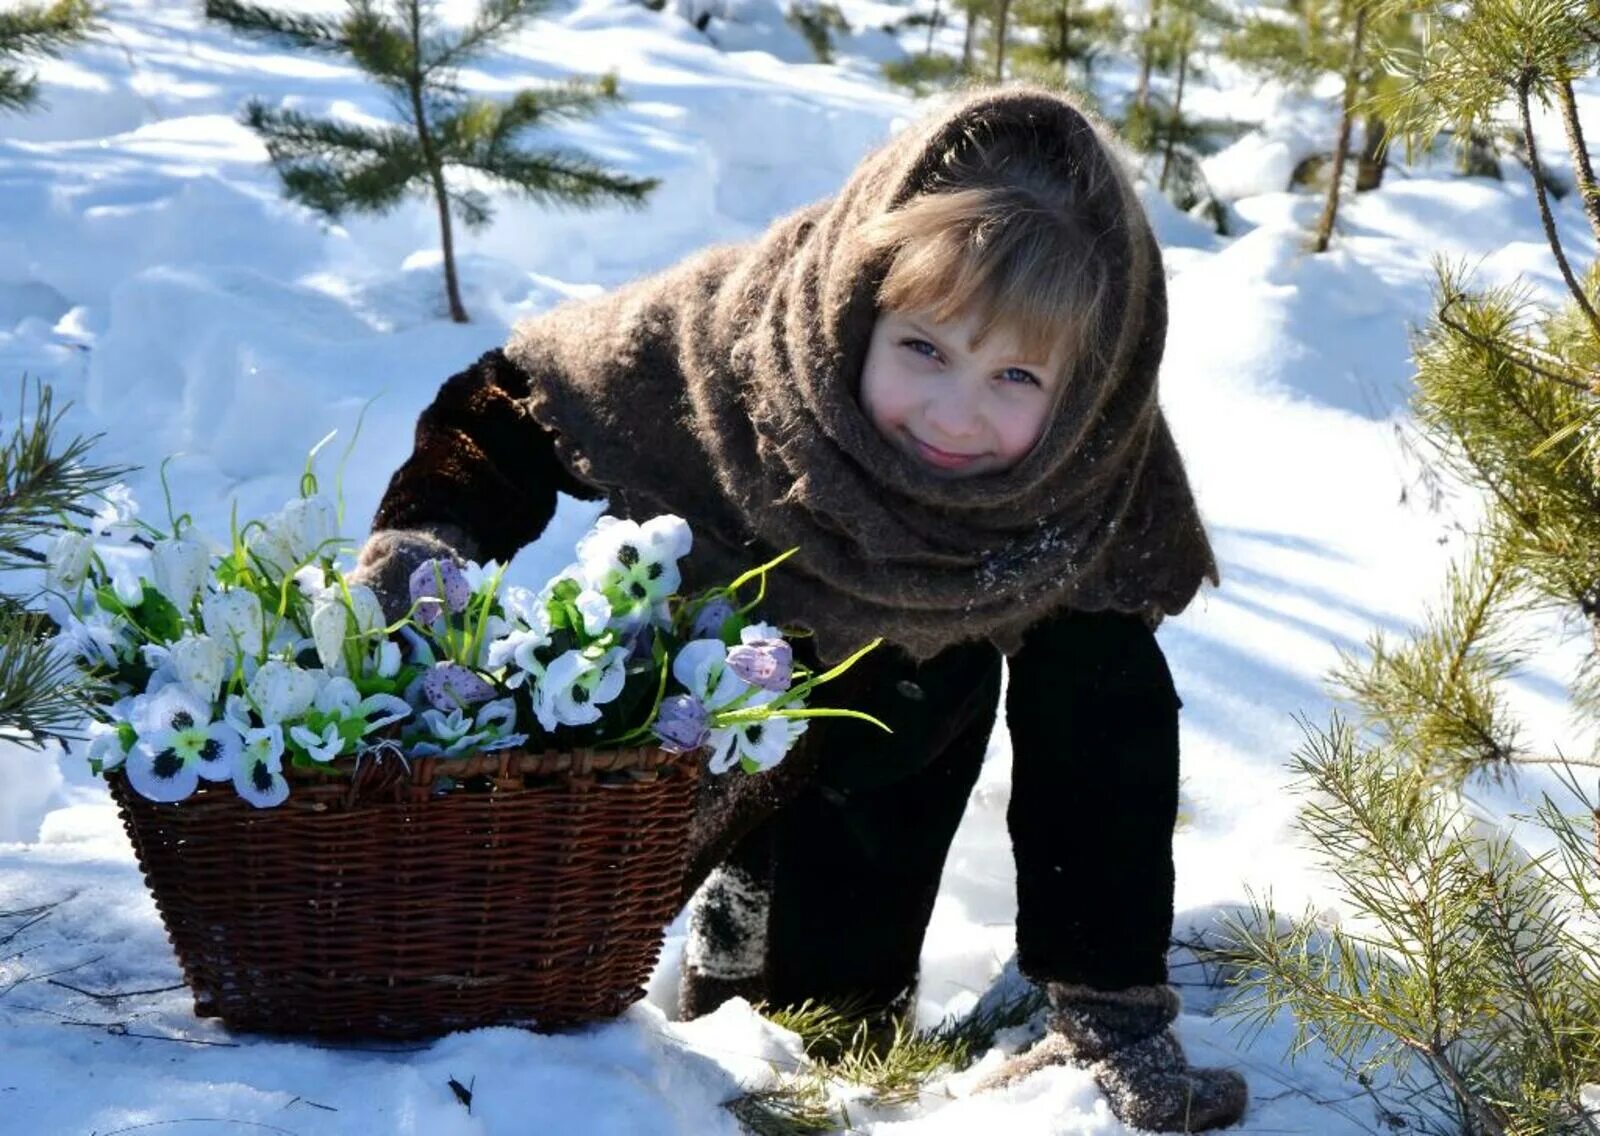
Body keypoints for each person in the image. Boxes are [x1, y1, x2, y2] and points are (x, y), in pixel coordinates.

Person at [352, 84, 1247, 1131]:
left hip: (901, 713)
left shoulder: (1087, 466)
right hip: (688, 686)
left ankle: (785, 1008)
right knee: (533, 980)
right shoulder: (739, 333)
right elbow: (515, 399)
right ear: (861, 302)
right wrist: (429, 539)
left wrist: (1109, 1006)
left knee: (812, 1036)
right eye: (923, 348)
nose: (954, 414)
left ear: (1082, 381)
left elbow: (1103, 724)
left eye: (1014, 374)